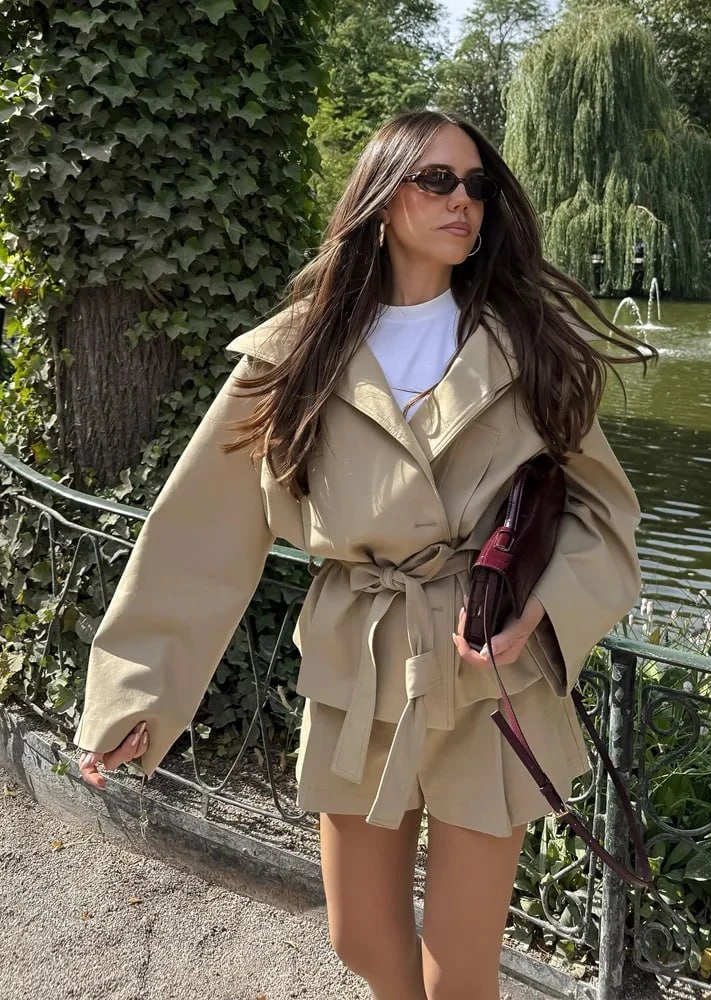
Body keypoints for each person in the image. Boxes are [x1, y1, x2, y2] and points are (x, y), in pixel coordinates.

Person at [75, 110, 650, 1000]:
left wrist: (540, 611)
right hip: (358, 661)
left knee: (460, 968)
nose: (463, 201)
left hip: (487, 666)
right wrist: (137, 693)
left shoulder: (526, 347)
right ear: (383, 196)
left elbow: (605, 512)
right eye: (437, 180)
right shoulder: (295, 351)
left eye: (477, 186)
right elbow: (201, 531)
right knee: (359, 938)